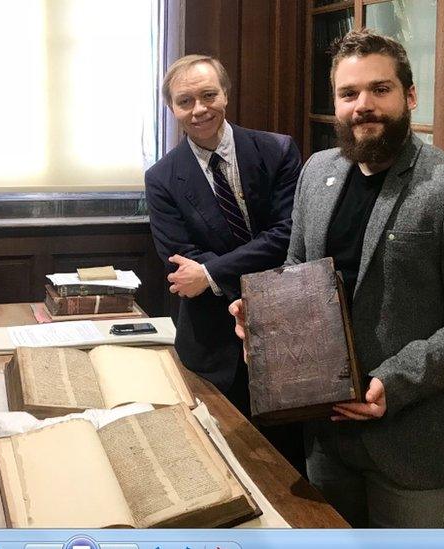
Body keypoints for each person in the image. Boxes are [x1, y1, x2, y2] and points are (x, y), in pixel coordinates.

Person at [230, 29, 444, 527]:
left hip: (414, 441)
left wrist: (393, 381)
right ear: (336, 104)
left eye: (379, 89)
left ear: (409, 96)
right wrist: (261, 320)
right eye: (349, 93)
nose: (364, 105)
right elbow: (297, 275)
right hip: (325, 435)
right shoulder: (317, 171)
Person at [144, 54, 304, 467]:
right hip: (209, 345)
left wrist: (212, 273)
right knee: (218, 462)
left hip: (284, 331)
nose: (199, 110)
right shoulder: (162, 177)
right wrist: (209, 276)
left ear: (226, 95)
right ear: (172, 109)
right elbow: (180, 259)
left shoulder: (277, 150)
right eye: (185, 101)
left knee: (286, 465)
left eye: (208, 95)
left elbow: (287, 235)